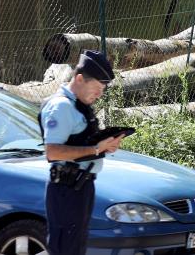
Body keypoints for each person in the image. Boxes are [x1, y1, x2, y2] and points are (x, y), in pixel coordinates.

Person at [40, 50, 123, 255]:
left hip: (81, 187)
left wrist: (105, 146)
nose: (99, 94)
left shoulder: (79, 106)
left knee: (75, 248)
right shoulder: (61, 107)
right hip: (66, 190)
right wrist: (96, 149)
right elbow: (53, 152)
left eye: (102, 90)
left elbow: (79, 141)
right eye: (96, 88)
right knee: (65, 249)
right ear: (79, 79)